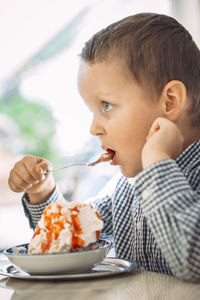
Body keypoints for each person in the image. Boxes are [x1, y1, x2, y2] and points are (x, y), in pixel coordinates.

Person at [8, 13, 200, 281]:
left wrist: (157, 163)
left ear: (169, 102)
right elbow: (70, 242)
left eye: (106, 106)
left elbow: (195, 262)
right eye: (91, 111)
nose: (94, 128)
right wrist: (43, 192)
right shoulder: (122, 190)